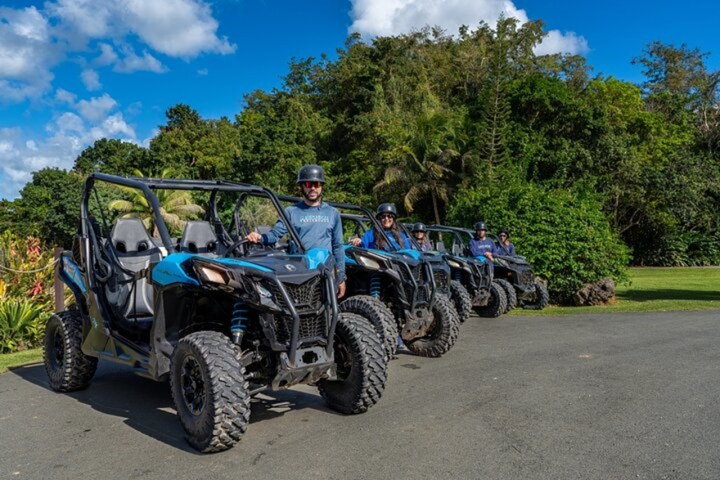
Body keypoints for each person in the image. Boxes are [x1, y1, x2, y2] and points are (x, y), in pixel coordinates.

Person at [246, 165, 346, 298]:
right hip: (300, 272)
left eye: (316, 184)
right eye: (309, 184)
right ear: (302, 186)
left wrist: (341, 276)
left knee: (328, 310)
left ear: (322, 186)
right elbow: (275, 235)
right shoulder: (291, 212)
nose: (313, 188)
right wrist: (260, 237)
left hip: (325, 270)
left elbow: (338, 246)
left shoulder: (333, 213)